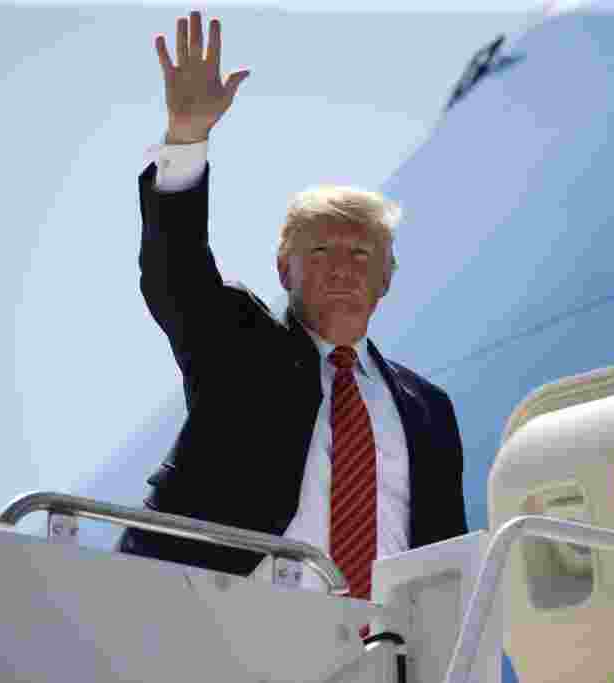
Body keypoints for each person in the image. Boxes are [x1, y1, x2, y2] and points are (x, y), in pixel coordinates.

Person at [117, 9, 468, 599]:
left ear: (386, 279)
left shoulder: (430, 411)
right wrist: (186, 136)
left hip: (378, 651)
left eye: (361, 254)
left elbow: (445, 554)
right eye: (320, 249)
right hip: (223, 628)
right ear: (284, 268)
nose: (340, 266)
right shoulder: (240, 346)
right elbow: (174, 270)